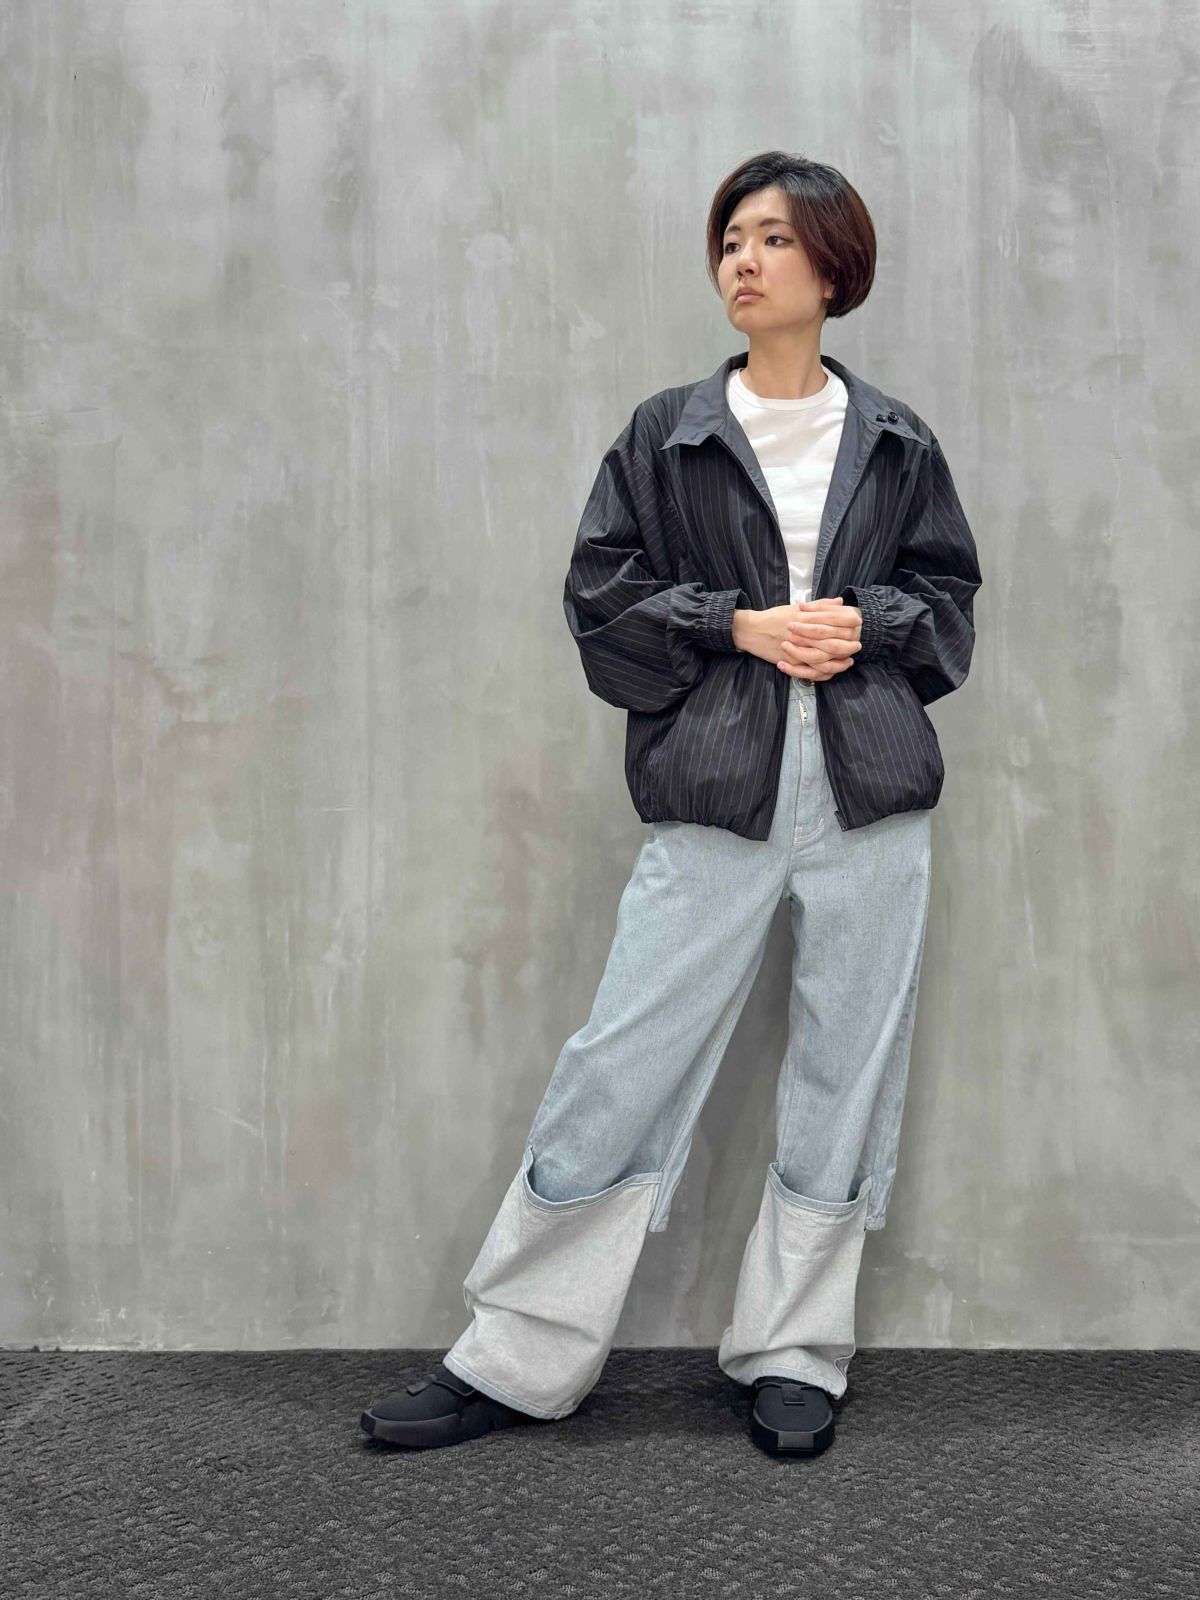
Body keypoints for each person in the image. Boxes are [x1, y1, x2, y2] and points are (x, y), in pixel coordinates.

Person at [361, 150, 982, 1458]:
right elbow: (602, 600)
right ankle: (517, 1355)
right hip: (716, 785)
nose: (743, 260)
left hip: (871, 795)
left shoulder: (898, 441)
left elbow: (948, 609)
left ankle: (795, 1350)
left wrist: (864, 623)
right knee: (623, 1060)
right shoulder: (668, 434)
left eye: (773, 238)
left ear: (833, 267)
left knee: (847, 1070)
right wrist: (740, 626)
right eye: (730, 238)